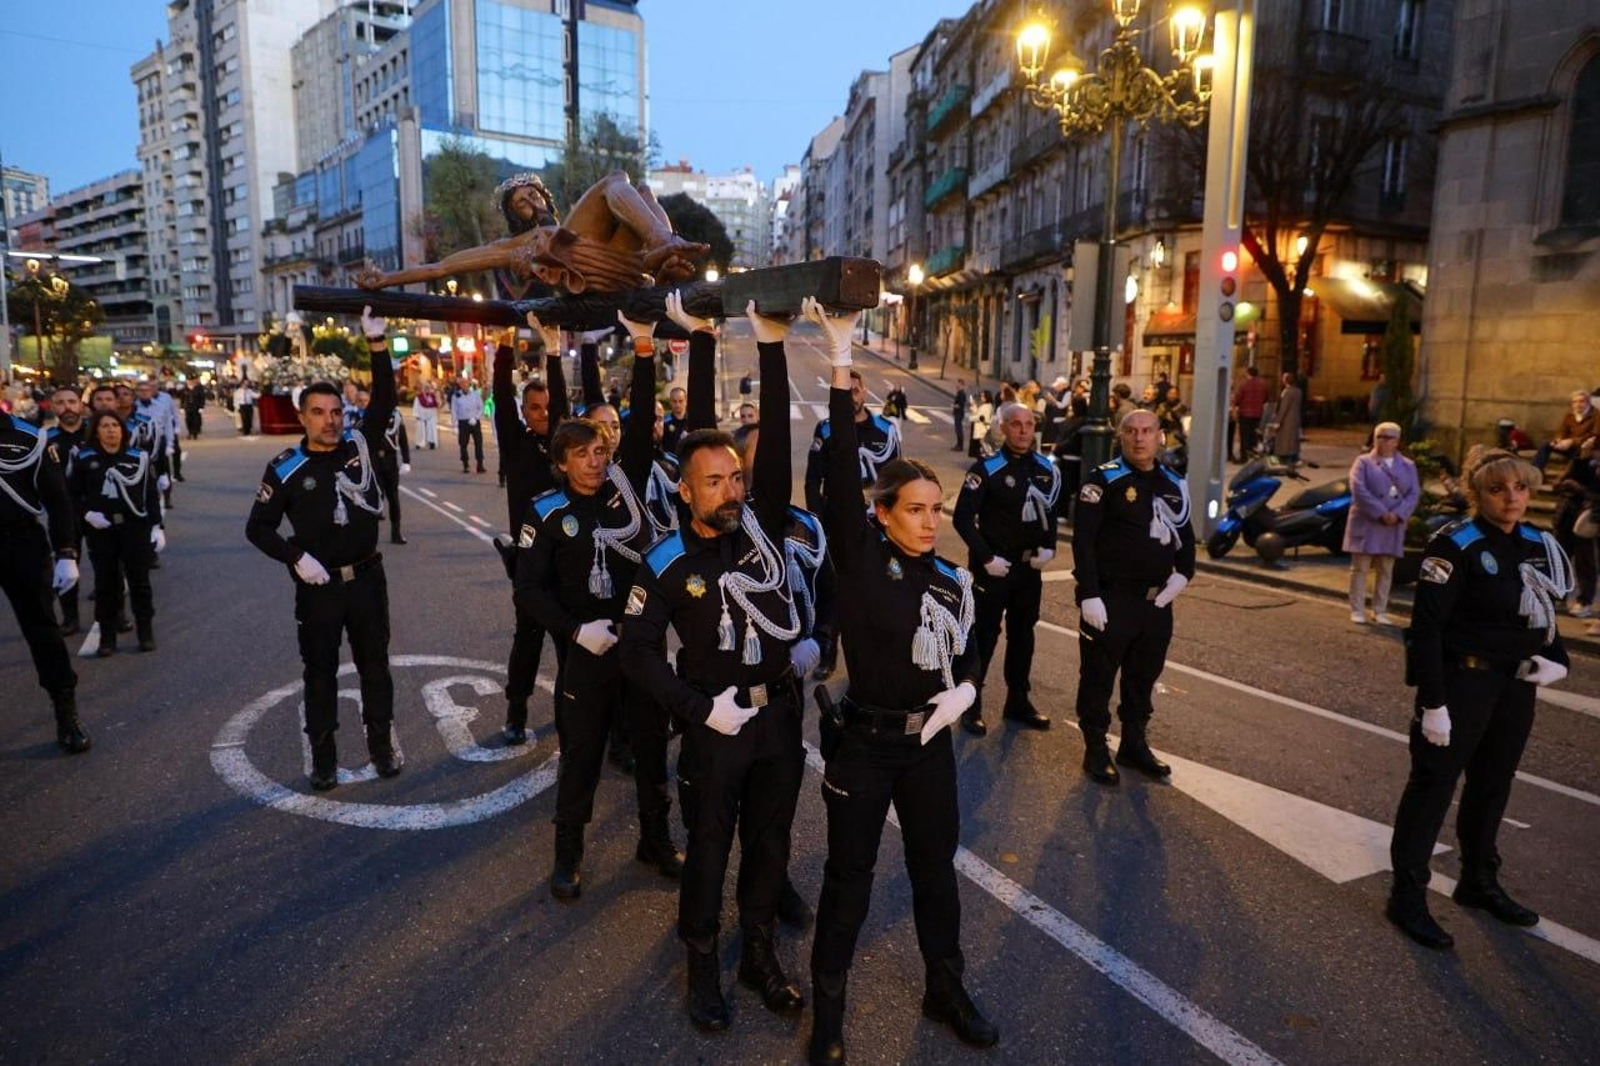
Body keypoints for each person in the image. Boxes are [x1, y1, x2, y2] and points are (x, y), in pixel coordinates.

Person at [803, 299, 998, 1063]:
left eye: (936, 510)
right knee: (849, 880)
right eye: (914, 510)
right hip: (864, 744)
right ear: (882, 514)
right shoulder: (857, 557)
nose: (929, 521)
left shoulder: (950, 578)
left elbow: (970, 649)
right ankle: (828, 1008)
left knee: (934, 873)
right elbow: (838, 469)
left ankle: (944, 987)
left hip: (927, 748)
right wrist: (841, 362)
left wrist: (967, 690)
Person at [617, 299, 805, 1033]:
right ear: (686, 490)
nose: (732, 489)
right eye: (715, 481)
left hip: (778, 717)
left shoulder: (761, 533)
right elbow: (636, 651)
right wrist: (699, 711)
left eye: (735, 477)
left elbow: (777, 451)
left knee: (771, 841)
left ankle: (757, 953)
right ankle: (701, 963)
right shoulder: (667, 560)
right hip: (716, 724)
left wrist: (770, 347)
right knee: (709, 849)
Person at [515, 310, 679, 901]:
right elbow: (528, 591)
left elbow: (639, 429)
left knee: (651, 749)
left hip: (638, 649)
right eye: (581, 453)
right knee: (582, 756)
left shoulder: (625, 490)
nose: (595, 460)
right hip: (586, 652)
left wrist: (643, 348)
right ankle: (569, 855)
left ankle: (655, 841)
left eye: (599, 451)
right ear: (562, 463)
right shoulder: (546, 513)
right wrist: (574, 631)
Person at [1388, 447, 1572, 950]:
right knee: (1433, 787)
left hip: (1516, 687)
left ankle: (1478, 879)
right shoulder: (1455, 545)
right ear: (1476, 493)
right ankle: (1407, 895)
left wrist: (1557, 657)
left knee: (1493, 784)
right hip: (1461, 684)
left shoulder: (1536, 543)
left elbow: (1545, 612)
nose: (1512, 498)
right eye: (1498, 489)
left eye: (1521, 488)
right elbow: (1426, 629)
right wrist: (1433, 703)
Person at [245, 307, 403, 791]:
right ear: (302, 417)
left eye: (335, 412)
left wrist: (377, 344)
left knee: (375, 667)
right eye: (318, 413)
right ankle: (324, 758)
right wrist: (296, 557)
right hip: (320, 587)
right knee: (320, 672)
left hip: (367, 579)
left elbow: (384, 401)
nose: (330, 421)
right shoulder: (286, 468)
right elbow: (258, 528)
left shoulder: (358, 445)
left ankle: (381, 746)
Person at [1072, 409, 1196, 785]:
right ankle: (1096, 748)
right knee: (1098, 677)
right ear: (1120, 437)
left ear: (1160, 436)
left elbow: (1185, 535)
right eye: (1131, 431)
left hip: (1156, 603)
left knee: (1143, 677)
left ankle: (1134, 743)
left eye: (1147, 431)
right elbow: (1083, 541)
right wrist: (1089, 594)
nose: (1139, 438)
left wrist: (1184, 574)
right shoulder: (1103, 480)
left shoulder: (1173, 482)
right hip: (1112, 599)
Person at [954, 401, 1060, 735]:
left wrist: (1049, 547)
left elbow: (1050, 512)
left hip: (1028, 570)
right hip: (994, 569)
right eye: (1016, 424)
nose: (1024, 431)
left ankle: (1017, 701)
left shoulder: (1045, 469)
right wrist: (986, 558)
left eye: (1029, 424)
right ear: (1003, 428)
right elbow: (962, 519)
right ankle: (970, 703)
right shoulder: (986, 468)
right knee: (984, 636)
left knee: (1023, 636)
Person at [494, 318, 571, 744]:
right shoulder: (515, 443)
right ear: (524, 413)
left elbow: (561, 408)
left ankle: (570, 713)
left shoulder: (563, 449)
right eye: (534, 408)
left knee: (568, 645)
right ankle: (516, 711)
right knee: (527, 641)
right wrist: (504, 348)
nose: (542, 414)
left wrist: (554, 353)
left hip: (566, 562)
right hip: (529, 565)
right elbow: (501, 400)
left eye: (546, 407)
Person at [0, 403, 89, 752]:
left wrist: (66, 552)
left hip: (19, 543)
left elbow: (58, 500)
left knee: (42, 631)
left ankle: (66, 713)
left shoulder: (29, 438)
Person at [69, 411, 165, 654]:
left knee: (139, 582)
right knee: (106, 584)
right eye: (104, 426)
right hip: (101, 529)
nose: (111, 430)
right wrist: (87, 514)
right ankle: (107, 638)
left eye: (115, 425)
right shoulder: (84, 458)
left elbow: (150, 495)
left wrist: (157, 527)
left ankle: (145, 632)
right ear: (96, 431)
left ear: (123, 430)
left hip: (134, 528)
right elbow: (72, 495)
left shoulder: (138, 457)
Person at [1344, 422, 1421, 625]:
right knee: (1360, 568)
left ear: (1397, 441)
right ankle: (1357, 609)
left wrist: (1398, 514)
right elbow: (1358, 489)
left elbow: (1414, 493)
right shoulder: (1362, 462)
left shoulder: (1408, 465)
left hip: (1393, 524)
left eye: (1388, 437)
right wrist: (1381, 513)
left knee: (1386, 570)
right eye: (1379, 436)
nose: (1383, 441)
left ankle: (1379, 610)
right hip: (1367, 521)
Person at [46, 387, 88, 635]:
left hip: (96, 509)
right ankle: (70, 618)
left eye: (72, 401)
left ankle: (115, 613)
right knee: (65, 564)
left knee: (109, 562)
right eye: (60, 403)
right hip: (63, 512)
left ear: (81, 405)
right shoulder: (45, 439)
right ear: (53, 407)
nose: (67, 407)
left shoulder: (96, 434)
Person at [1532, 389, 1599, 470]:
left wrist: (1572, 442)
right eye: (1575, 402)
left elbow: (1595, 434)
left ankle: (1567, 476)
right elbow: (1562, 430)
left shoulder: (1596, 415)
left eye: (1581, 401)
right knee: (1546, 444)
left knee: (1580, 453)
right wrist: (1558, 440)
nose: (1578, 405)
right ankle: (1536, 471)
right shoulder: (1570, 415)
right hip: (1568, 446)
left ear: (1588, 402)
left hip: (1585, 447)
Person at [1232, 366, 1268, 461]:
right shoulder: (1263, 385)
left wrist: (1235, 405)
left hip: (1245, 413)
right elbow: (1265, 398)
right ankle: (1253, 454)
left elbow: (1238, 398)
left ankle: (1244, 456)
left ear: (1248, 373)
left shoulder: (1244, 384)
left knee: (1244, 435)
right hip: (1257, 414)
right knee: (1254, 434)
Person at [451, 376, 486, 473]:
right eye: (462, 384)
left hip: (474, 421)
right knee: (463, 444)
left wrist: (476, 417)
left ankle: (480, 464)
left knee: (478, 443)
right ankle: (465, 464)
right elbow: (454, 410)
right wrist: (454, 424)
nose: (464, 385)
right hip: (463, 422)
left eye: (465, 383)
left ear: (469, 384)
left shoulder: (475, 394)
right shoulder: (456, 396)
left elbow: (481, 407)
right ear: (460, 385)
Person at [1273, 373, 1304, 466]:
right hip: (1295, 418)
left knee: (1285, 440)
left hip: (1287, 420)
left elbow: (1284, 408)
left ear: (1286, 381)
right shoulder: (1298, 391)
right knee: (1293, 440)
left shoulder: (1287, 392)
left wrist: (1278, 421)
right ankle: (1295, 457)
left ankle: (1285, 458)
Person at [412, 380, 440, 449]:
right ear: (423, 389)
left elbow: (436, 405)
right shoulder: (419, 397)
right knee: (420, 430)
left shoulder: (432, 396)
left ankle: (432, 443)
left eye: (428, 388)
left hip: (431, 415)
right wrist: (416, 414)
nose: (427, 389)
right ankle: (419, 443)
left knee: (431, 429)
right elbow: (416, 406)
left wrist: (437, 401)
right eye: (425, 388)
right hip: (421, 415)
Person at [662, 386, 691, 453]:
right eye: (674, 401)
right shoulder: (664, 422)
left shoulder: (692, 421)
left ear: (686, 401)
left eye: (681, 401)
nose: (677, 405)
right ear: (670, 402)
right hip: (670, 458)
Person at [967, 390, 994, 458]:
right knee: (981, 445)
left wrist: (970, 418)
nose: (981, 398)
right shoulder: (987, 406)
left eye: (982, 396)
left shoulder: (986, 407)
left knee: (982, 445)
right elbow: (978, 413)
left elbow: (980, 417)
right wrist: (973, 405)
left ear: (986, 397)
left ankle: (987, 457)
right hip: (981, 428)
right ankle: (984, 457)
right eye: (981, 396)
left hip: (981, 428)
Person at [950, 379, 969, 452]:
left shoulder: (961, 393)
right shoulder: (959, 392)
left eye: (958, 384)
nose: (956, 385)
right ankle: (958, 445)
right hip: (958, 413)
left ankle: (960, 446)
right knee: (957, 429)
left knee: (958, 430)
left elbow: (960, 405)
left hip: (959, 413)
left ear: (961, 385)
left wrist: (953, 406)